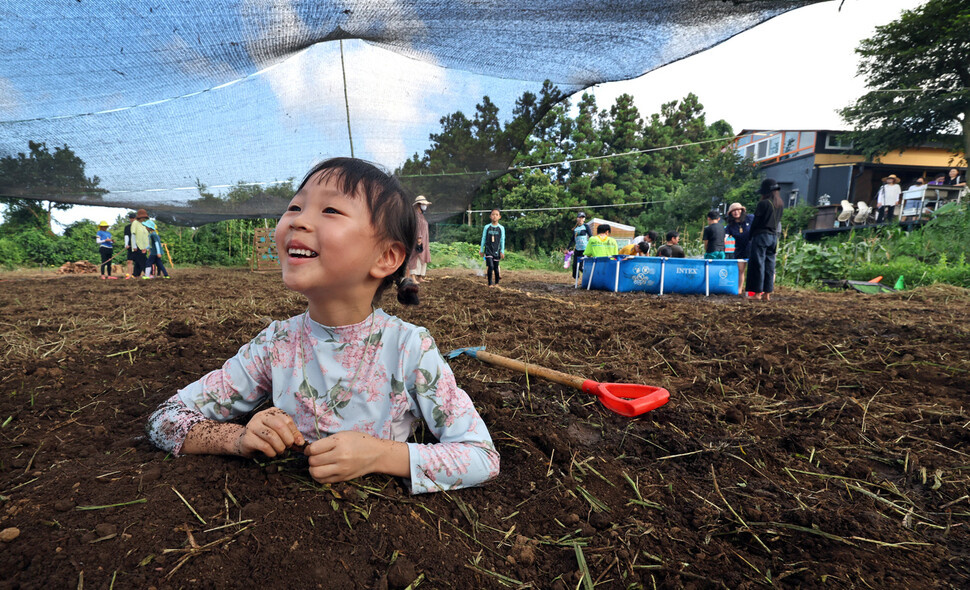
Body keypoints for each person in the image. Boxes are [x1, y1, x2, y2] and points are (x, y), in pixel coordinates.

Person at [146, 157, 499, 495]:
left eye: (330, 210)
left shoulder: (409, 349)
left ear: (386, 257)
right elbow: (164, 419)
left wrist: (379, 455)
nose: (298, 221)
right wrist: (237, 439)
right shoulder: (275, 345)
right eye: (295, 207)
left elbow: (481, 457)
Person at [746, 178, 784, 301]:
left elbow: (756, 222)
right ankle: (767, 294)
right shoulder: (780, 204)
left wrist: (750, 236)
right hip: (774, 237)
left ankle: (757, 294)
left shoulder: (764, 203)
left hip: (762, 236)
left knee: (758, 264)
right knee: (769, 265)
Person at [480, 208, 506, 286]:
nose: (494, 216)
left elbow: (502, 240)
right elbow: (483, 238)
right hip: (488, 250)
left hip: (497, 250)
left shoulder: (501, 228)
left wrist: (502, 251)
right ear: (490, 216)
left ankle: (497, 283)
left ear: (499, 217)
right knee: (490, 266)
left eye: (496, 215)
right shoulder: (487, 227)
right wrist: (481, 250)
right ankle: (490, 283)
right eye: (493, 214)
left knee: (496, 268)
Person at [409, 195, 431, 283]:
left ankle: (420, 277)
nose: (425, 206)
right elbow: (417, 228)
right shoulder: (416, 216)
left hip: (424, 241)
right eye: (423, 204)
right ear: (418, 205)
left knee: (423, 258)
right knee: (415, 257)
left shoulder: (421, 215)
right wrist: (419, 238)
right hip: (419, 240)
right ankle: (413, 277)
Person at [569, 212, 592, 279]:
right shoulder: (575, 229)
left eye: (582, 217)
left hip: (584, 249)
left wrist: (592, 247)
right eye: (580, 217)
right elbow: (572, 240)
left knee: (581, 266)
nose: (581, 219)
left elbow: (591, 236)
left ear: (584, 219)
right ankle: (576, 279)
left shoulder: (586, 226)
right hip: (577, 249)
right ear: (577, 219)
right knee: (574, 266)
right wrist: (568, 248)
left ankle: (590, 276)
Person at [130, 209, 151, 277]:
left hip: (144, 246)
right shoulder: (135, 223)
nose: (144, 219)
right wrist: (134, 246)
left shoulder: (143, 224)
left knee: (138, 261)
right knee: (143, 260)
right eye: (143, 217)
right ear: (140, 217)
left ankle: (135, 274)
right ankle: (147, 273)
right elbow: (133, 234)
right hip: (138, 245)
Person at [123, 211, 136, 279]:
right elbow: (126, 236)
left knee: (138, 261)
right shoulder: (127, 227)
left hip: (137, 246)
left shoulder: (138, 227)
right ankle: (130, 274)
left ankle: (136, 274)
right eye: (131, 218)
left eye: (133, 218)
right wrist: (126, 244)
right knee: (129, 261)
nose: (132, 219)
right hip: (130, 246)